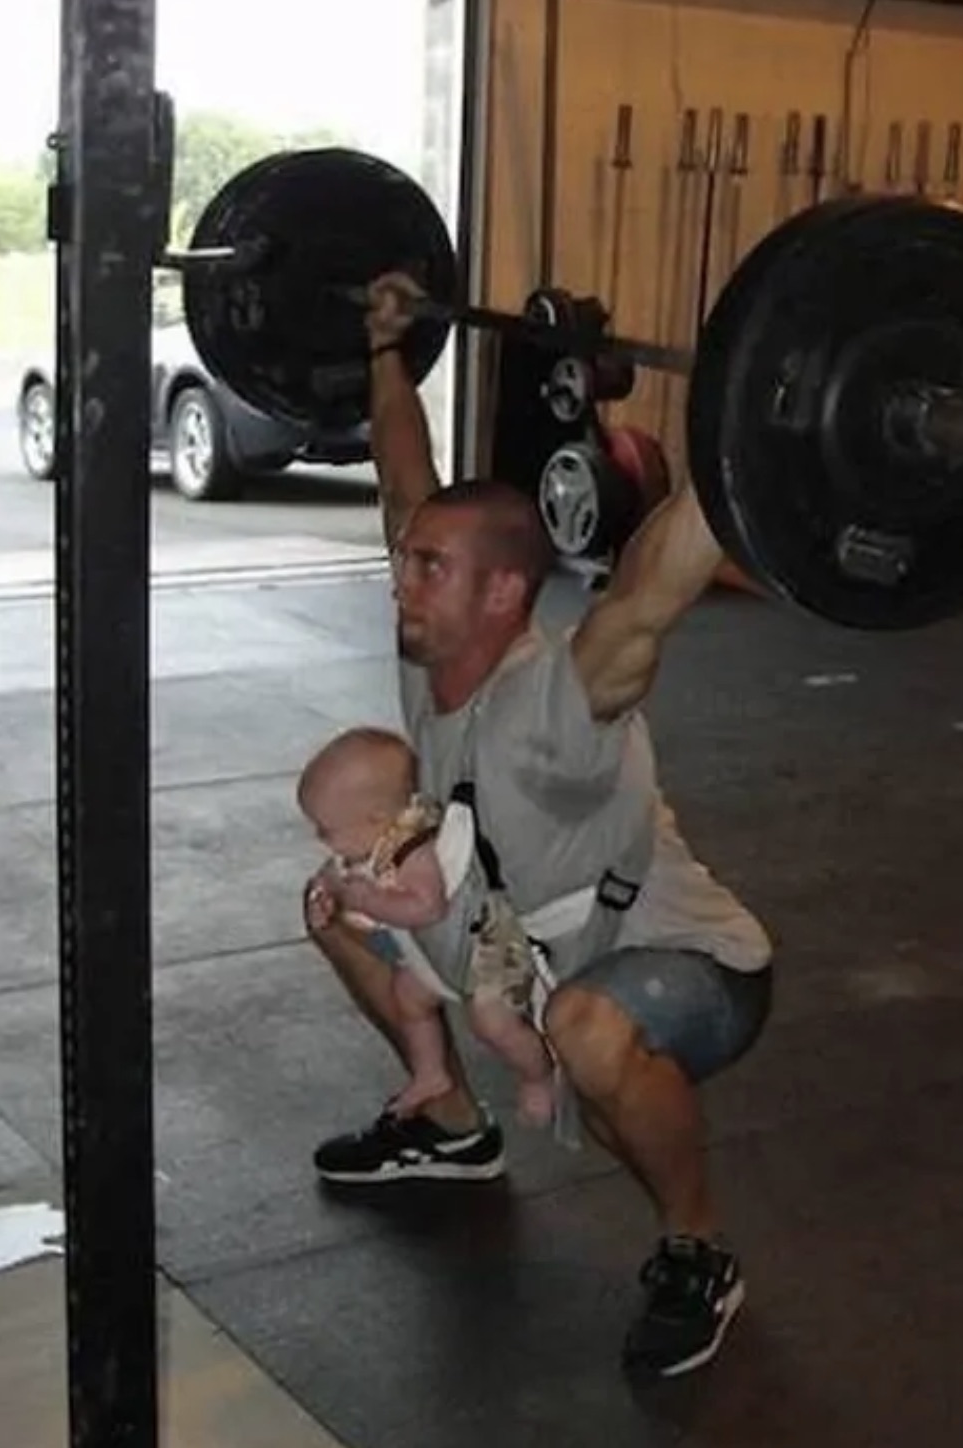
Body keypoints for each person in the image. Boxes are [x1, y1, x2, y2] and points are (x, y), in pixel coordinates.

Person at [303, 273, 774, 1380]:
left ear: (508, 592)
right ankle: (453, 1121)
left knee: (589, 1030)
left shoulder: (560, 695)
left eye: (429, 569)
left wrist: (752, 421)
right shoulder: (435, 659)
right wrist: (387, 348)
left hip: (690, 964)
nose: (401, 582)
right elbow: (403, 480)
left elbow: (651, 590)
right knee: (334, 906)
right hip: (531, 945)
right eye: (408, 561)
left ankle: (698, 1248)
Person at [297, 725, 557, 1127]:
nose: (319, 837)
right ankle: (431, 1073)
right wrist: (328, 899)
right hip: (438, 952)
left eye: (326, 829)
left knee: (493, 1023)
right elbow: (343, 882)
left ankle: (538, 1075)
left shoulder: (414, 847)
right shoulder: (369, 840)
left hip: (488, 946)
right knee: (408, 997)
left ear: (377, 818)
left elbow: (427, 907)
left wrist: (365, 899)